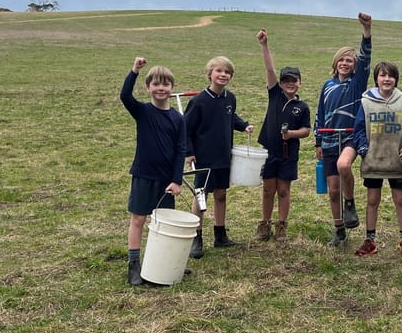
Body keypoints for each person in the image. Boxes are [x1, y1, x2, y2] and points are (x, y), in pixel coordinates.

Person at [120, 56, 186, 286]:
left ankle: (162, 260)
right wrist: (134, 71)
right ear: (148, 88)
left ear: (172, 88)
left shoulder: (178, 119)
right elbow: (125, 96)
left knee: (162, 223)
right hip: (144, 175)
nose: (161, 88)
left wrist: (176, 180)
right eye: (156, 84)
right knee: (138, 219)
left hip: (166, 181)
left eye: (165, 84)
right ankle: (134, 264)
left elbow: (181, 150)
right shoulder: (143, 112)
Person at [182, 56, 254, 258]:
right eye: (219, 71)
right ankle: (197, 238)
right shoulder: (198, 102)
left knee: (221, 194)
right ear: (210, 74)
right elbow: (185, 130)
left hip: (224, 156)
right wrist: (189, 152)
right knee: (201, 196)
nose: (223, 75)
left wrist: (243, 125)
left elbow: (231, 117)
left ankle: (220, 235)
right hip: (204, 159)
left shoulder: (230, 98)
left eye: (227, 72)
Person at [347, 61, 402, 257]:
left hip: (396, 161)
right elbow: (359, 130)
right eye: (382, 75)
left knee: (400, 199)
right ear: (376, 79)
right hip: (374, 160)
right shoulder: (366, 102)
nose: (386, 79)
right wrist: (364, 150)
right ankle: (370, 240)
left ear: (396, 79)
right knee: (372, 200)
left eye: (390, 76)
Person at [314, 12, 372, 246]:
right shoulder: (327, 85)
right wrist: (318, 141)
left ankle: (350, 203)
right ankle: (339, 229)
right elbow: (319, 113)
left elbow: (366, 59)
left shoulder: (356, 82)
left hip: (349, 137)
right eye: (342, 60)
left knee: (344, 165)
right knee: (332, 189)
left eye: (350, 60)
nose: (345, 63)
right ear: (336, 63)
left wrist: (366, 31)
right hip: (328, 140)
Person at [256, 29, 311, 242]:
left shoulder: (302, 106)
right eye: (286, 80)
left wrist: (291, 135)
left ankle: (282, 226)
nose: (290, 83)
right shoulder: (274, 96)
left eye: (294, 80)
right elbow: (269, 68)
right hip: (269, 152)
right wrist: (264, 45)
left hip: (289, 154)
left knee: (283, 190)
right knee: (268, 189)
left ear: (299, 83)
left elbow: (306, 130)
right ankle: (264, 224)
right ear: (279, 83)